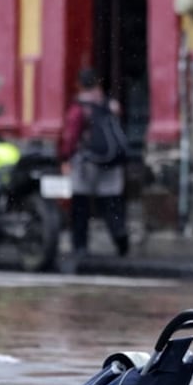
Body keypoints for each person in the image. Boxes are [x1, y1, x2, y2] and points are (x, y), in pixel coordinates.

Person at [58, 68, 129, 262]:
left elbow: (71, 137)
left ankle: (80, 246)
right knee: (111, 203)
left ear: (79, 84)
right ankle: (120, 236)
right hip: (112, 162)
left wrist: (65, 158)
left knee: (80, 204)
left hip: (86, 162)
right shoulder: (110, 105)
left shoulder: (79, 108)